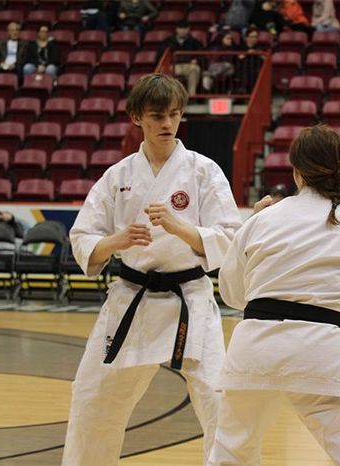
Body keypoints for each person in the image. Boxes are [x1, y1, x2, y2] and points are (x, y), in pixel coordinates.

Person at [61, 74, 242, 466]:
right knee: (92, 396)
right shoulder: (119, 176)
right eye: (157, 115)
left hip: (189, 300)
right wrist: (117, 241)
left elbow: (230, 236)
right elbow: (83, 236)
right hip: (132, 299)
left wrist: (180, 228)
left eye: (174, 115)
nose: (167, 124)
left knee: (219, 399)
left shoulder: (203, 171)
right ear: (136, 118)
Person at [209, 125, 340, 466]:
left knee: (231, 455)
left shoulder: (263, 219)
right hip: (328, 350)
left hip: (256, 348)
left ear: (296, 172)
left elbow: (233, 293)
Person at [161, 21, 203, 96]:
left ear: (188, 29)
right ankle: (172, 97)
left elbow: (201, 55)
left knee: (195, 69)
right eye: (180, 28)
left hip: (188, 65)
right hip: (173, 65)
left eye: (185, 28)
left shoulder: (194, 42)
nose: (182, 30)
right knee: (166, 71)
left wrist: (196, 59)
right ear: (176, 29)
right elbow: (161, 56)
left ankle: (191, 96)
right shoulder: (168, 42)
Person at [237, 26, 265, 92]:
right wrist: (247, 53)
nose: (254, 39)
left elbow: (266, 58)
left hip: (256, 68)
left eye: (255, 37)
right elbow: (238, 57)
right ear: (246, 38)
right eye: (252, 37)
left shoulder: (260, 47)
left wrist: (258, 53)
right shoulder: (241, 47)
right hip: (243, 68)